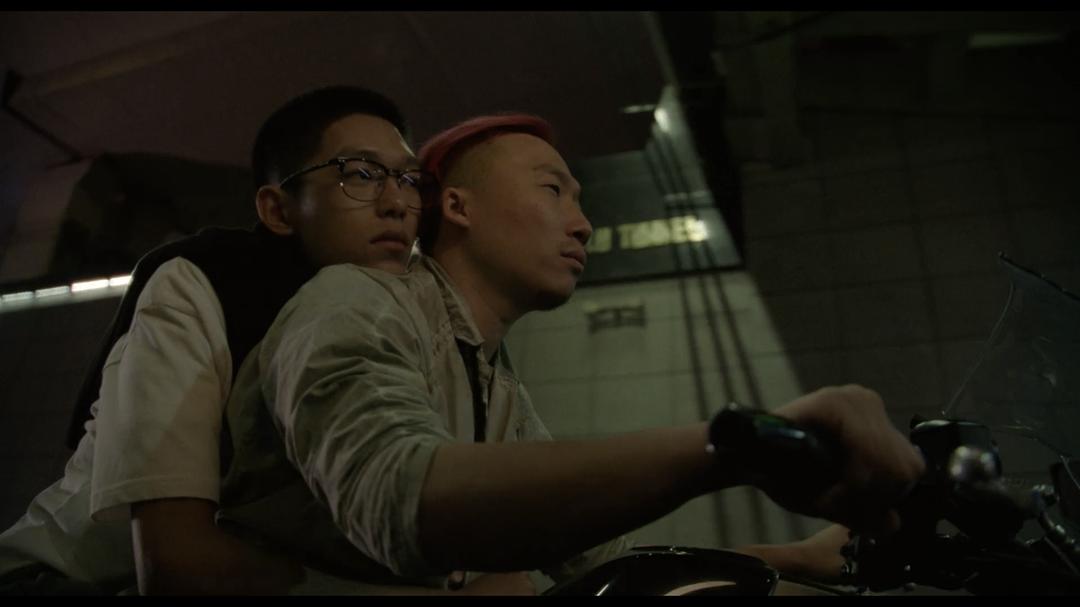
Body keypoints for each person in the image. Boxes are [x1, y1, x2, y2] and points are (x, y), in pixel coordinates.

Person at [215, 113, 925, 592]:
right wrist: (741, 445)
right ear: (457, 207)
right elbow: (401, 500)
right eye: (553, 190)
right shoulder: (357, 299)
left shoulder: (496, 384)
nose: (583, 225)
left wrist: (797, 558)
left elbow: (602, 563)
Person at [0, 86, 525, 596]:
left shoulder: (409, 323)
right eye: (360, 174)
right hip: (60, 579)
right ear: (278, 210)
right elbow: (176, 564)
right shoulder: (207, 281)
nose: (397, 203)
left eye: (409, 180)